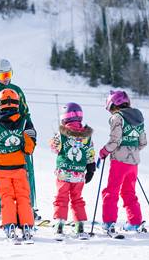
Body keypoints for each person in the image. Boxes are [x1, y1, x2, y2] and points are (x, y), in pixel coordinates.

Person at [0, 58, 39, 219]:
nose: (7, 78)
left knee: (26, 171)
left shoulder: (16, 90)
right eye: (3, 75)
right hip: (0, 139)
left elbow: (25, 112)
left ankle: (28, 207)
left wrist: (28, 129)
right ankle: (1, 209)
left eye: (9, 74)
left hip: (19, 136)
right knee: (1, 176)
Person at [0, 89, 36, 241]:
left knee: (6, 197)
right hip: (19, 167)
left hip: (1, 169)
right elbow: (29, 147)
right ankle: (27, 225)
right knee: (23, 196)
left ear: (0, 105)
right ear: (17, 103)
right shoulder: (25, 122)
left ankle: (9, 224)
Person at [98, 90, 147, 232]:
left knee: (111, 191)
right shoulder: (138, 117)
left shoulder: (117, 118)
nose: (111, 112)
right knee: (128, 192)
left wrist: (103, 152)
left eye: (111, 108)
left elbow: (115, 141)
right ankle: (134, 222)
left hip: (119, 162)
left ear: (114, 105)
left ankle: (108, 222)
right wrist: (132, 150)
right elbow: (142, 142)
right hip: (134, 163)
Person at [49, 102, 96, 238]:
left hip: (63, 173)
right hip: (79, 174)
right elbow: (90, 152)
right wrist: (91, 168)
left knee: (61, 197)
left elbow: (55, 148)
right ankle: (79, 225)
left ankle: (59, 224)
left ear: (64, 118)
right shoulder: (86, 136)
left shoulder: (62, 133)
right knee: (77, 198)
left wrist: (53, 141)